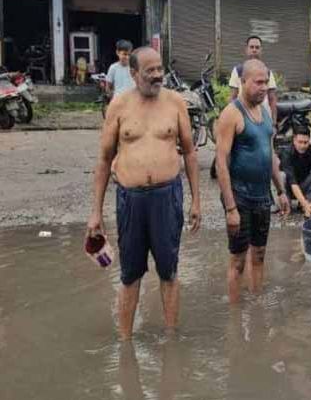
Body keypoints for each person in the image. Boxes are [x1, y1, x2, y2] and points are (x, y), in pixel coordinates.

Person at [86, 47, 201, 340]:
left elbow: (189, 153)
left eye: (159, 69)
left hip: (167, 198)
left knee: (169, 271)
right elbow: (103, 160)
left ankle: (171, 339)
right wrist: (95, 212)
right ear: (134, 74)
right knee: (129, 274)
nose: (157, 75)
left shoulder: (176, 103)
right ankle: (125, 343)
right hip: (131, 200)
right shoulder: (119, 105)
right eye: (149, 71)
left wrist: (196, 201)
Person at [215, 59, 290, 303]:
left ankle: (256, 306)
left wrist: (280, 191)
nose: (263, 87)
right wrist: (230, 208)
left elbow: (270, 157)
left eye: (266, 82)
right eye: (258, 82)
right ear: (244, 82)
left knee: (259, 254)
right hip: (239, 196)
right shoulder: (231, 114)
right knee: (237, 260)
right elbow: (221, 164)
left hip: (262, 196)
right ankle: (236, 320)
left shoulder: (265, 112)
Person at [229, 36, 278, 123]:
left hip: (263, 119)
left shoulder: (267, 72)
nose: (254, 50)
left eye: (257, 47)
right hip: (243, 119)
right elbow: (233, 97)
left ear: (261, 50)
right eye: (251, 47)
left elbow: (272, 99)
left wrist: (273, 123)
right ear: (246, 50)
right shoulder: (238, 71)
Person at [279, 126, 311, 218]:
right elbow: (292, 182)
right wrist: (305, 205)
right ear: (294, 140)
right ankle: (288, 204)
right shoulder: (286, 153)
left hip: (304, 184)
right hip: (290, 187)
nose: (303, 146)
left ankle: (308, 204)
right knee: (282, 176)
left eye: (305, 142)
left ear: (309, 140)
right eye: (300, 142)